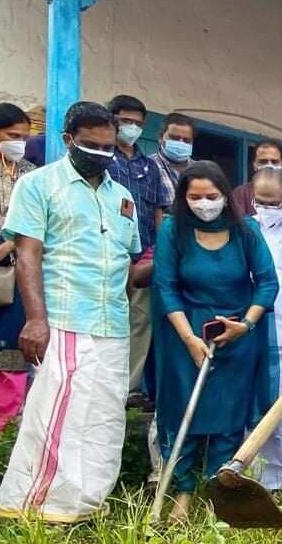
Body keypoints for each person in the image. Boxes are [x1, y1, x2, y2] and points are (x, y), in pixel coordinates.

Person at [0, 101, 141, 522]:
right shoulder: (39, 185)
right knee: (57, 414)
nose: (101, 154)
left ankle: (82, 507)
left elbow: (130, 265)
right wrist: (36, 319)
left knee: (103, 416)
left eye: (108, 147)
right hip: (62, 317)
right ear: (66, 140)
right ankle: (33, 509)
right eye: (90, 145)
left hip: (111, 323)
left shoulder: (123, 197)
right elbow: (27, 255)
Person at [151, 160, 277, 522]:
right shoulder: (174, 229)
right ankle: (184, 492)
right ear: (183, 197)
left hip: (236, 334)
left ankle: (216, 494)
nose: (204, 203)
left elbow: (267, 282)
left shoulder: (246, 230)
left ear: (226, 195)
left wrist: (247, 325)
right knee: (183, 417)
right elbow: (165, 285)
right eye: (195, 196)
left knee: (227, 418)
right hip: (184, 335)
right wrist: (189, 337)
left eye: (212, 196)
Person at [0, 103, 36, 436]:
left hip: (16, 273)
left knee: (10, 359)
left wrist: (4, 248)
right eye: (13, 136)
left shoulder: (29, 173)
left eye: (24, 138)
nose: (19, 143)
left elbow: (36, 222)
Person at [105, 95, 169, 397]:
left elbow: (158, 210)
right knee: (108, 318)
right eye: (126, 121)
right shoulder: (103, 159)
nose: (132, 128)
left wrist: (158, 251)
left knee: (140, 321)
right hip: (109, 252)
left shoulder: (149, 166)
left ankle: (127, 387)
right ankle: (104, 384)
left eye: (138, 124)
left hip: (143, 255)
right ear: (112, 120)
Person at [251, 169, 282, 492]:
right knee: (251, 405)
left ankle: (279, 478)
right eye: (260, 202)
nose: (266, 208)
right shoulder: (243, 229)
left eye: (272, 202)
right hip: (248, 330)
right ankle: (250, 474)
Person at [230, 140, 282, 216]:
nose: (269, 165)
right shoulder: (240, 195)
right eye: (263, 161)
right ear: (254, 165)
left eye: (274, 162)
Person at [151, 112, 196, 209]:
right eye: (174, 138)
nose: (181, 143)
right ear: (160, 137)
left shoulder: (201, 171)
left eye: (186, 140)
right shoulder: (147, 166)